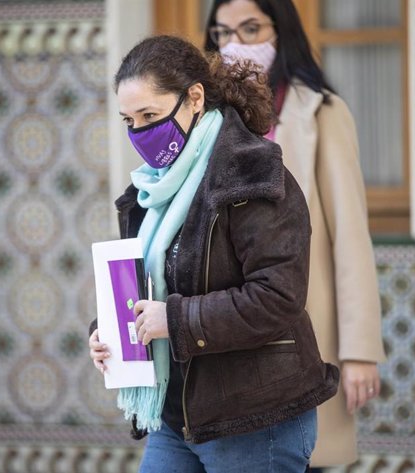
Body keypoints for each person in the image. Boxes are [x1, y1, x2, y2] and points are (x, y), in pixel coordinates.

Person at [88, 34, 339, 472]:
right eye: (129, 120)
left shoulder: (253, 174)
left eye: (150, 114)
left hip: (256, 418)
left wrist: (175, 319)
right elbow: (152, 283)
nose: (140, 132)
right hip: (178, 417)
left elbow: (277, 297)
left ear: (194, 98)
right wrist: (110, 330)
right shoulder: (149, 193)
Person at [204, 0, 387, 468]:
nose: (235, 45)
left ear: (280, 32)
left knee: (305, 455)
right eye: (223, 33)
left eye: (250, 29)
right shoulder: (205, 122)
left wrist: (360, 351)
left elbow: (350, 236)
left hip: (305, 325)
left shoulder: (321, 113)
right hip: (231, 331)